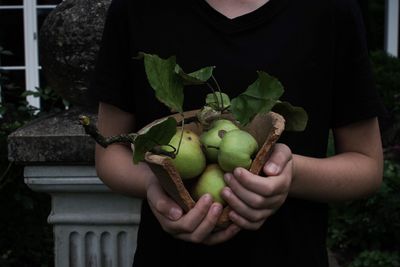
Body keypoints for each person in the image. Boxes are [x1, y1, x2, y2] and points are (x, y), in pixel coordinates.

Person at [89, 0, 385, 266]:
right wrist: (159, 185)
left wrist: (289, 174)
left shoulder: (330, 10)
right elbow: (109, 155)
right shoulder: (137, 9)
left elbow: (367, 166)